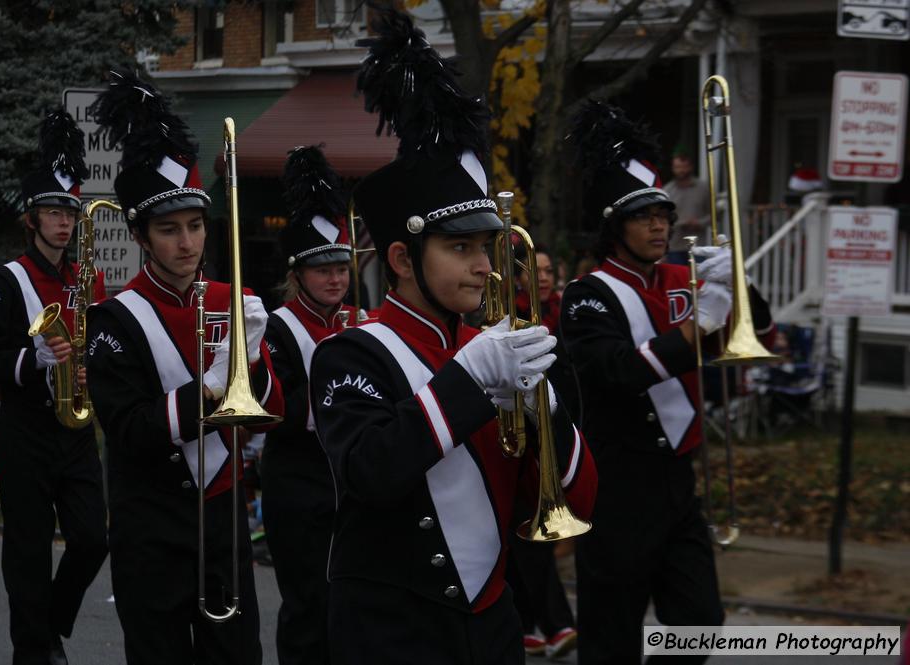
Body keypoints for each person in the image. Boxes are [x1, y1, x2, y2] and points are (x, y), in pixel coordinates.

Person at [309, 10, 597, 664]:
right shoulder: (349, 352)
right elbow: (370, 469)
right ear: (404, 261)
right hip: (390, 629)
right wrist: (471, 381)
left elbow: (577, 499)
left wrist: (549, 411)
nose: (483, 265)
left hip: (491, 623)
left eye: (487, 246)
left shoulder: (497, 347)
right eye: (460, 247)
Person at [560, 100, 776, 664]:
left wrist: (736, 283)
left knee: (700, 622)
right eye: (643, 217)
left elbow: (763, 329)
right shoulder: (589, 294)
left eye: (663, 216)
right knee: (611, 637)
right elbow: (617, 372)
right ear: (614, 227)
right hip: (616, 486)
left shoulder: (685, 275)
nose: (659, 225)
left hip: (677, 481)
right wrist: (697, 325)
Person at [85, 69, 283, 665]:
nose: (187, 243)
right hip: (150, 523)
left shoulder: (230, 298)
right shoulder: (114, 320)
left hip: (222, 519)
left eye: (195, 226)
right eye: (169, 230)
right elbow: (129, 431)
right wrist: (211, 388)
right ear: (142, 237)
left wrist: (255, 360)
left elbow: (266, 413)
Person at [0, 109, 108, 665]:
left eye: (69, 212)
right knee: (27, 547)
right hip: (27, 427)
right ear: (31, 218)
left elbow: (102, 347)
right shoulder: (6, 281)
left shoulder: (84, 280)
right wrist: (36, 360)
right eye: (52, 212)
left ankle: (50, 624)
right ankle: (34, 649)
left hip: (74, 430)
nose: (63, 222)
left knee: (92, 540)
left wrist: (88, 371)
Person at [261, 145, 355, 665]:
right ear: (298, 273)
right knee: (307, 606)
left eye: (341, 266)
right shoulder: (278, 327)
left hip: (348, 484)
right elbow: (275, 409)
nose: (336, 278)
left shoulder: (356, 322)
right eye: (323, 269)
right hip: (297, 485)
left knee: (347, 603)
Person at [509, 246, 577, 659]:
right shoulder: (510, 316)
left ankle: (526, 624)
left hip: (562, 428)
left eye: (551, 270)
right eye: (537, 271)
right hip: (525, 439)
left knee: (527, 542)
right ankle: (556, 624)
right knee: (527, 537)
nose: (546, 277)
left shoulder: (563, 313)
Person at [663, 152, 709, 265]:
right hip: (675, 247)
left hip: (698, 247)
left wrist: (700, 223)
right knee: (678, 281)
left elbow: (715, 213)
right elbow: (664, 218)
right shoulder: (667, 190)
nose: (681, 170)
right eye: (678, 167)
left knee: (699, 280)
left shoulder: (703, 188)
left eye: (684, 167)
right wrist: (681, 223)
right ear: (673, 169)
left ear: (691, 167)